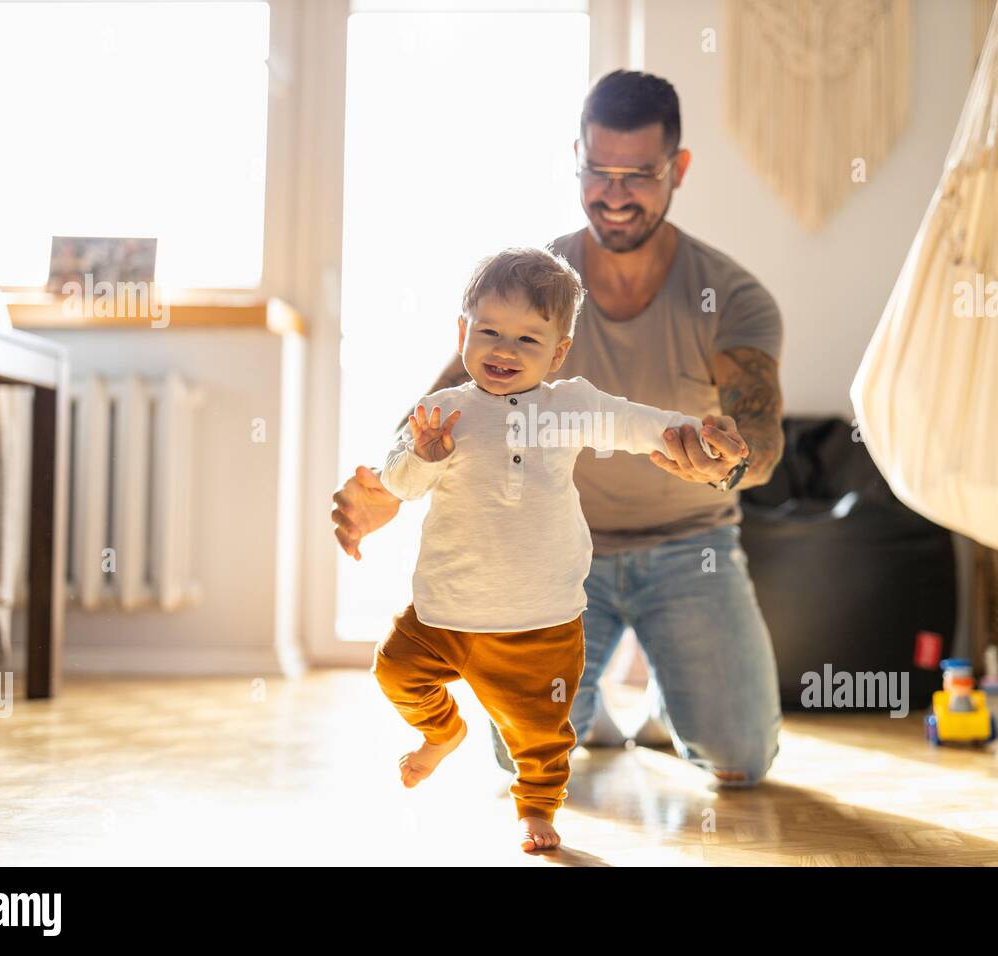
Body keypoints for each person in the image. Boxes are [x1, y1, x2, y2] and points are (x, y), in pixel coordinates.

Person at [335, 69, 785, 792]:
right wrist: (389, 484)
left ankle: (676, 692)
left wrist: (726, 461)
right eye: (596, 171)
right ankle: (595, 712)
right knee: (518, 758)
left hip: (690, 549)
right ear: (575, 158)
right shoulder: (534, 286)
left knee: (740, 760)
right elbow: (441, 405)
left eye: (638, 174)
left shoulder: (730, 296)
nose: (613, 193)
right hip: (544, 565)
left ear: (679, 169)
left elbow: (761, 440)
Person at [371, 246, 742, 852]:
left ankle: (537, 809)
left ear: (559, 352)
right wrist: (422, 457)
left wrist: (694, 432)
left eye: (527, 340)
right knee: (394, 671)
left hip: (539, 619)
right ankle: (442, 733)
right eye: (489, 331)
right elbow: (398, 485)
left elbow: (635, 423)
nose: (504, 350)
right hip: (442, 613)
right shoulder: (442, 413)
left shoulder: (568, 406)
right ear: (463, 332)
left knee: (541, 732)